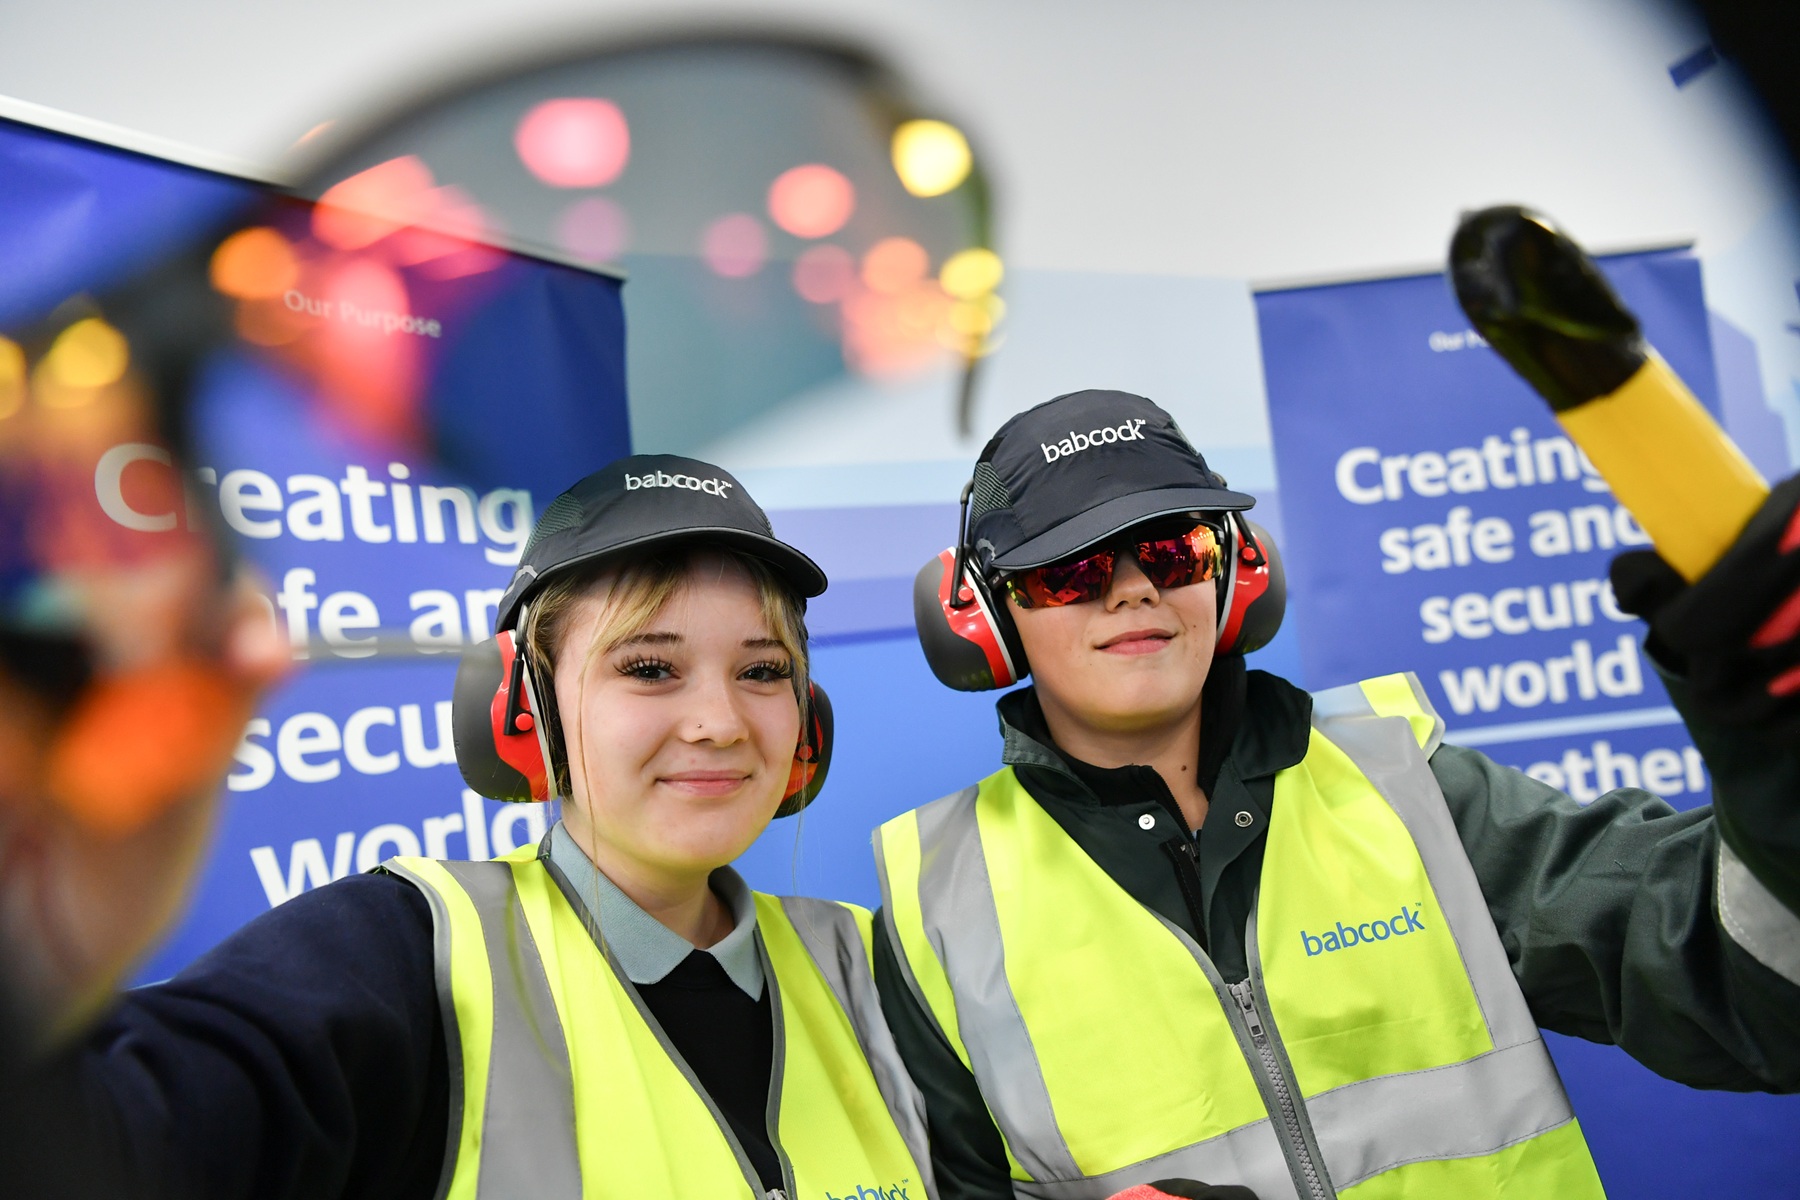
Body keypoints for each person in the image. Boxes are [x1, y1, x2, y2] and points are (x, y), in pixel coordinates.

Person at [873, 389, 1800, 1200]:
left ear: (1239, 570)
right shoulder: (935, 904)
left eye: (1174, 549)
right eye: (1069, 570)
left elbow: (1746, 989)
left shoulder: (1409, 788)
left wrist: (1776, 767)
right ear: (984, 616)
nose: (1132, 592)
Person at [60, 454, 933, 1200]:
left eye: (763, 670)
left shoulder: (873, 968)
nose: (720, 721)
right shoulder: (409, 955)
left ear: (806, 720)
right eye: (652, 666)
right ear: (523, 712)